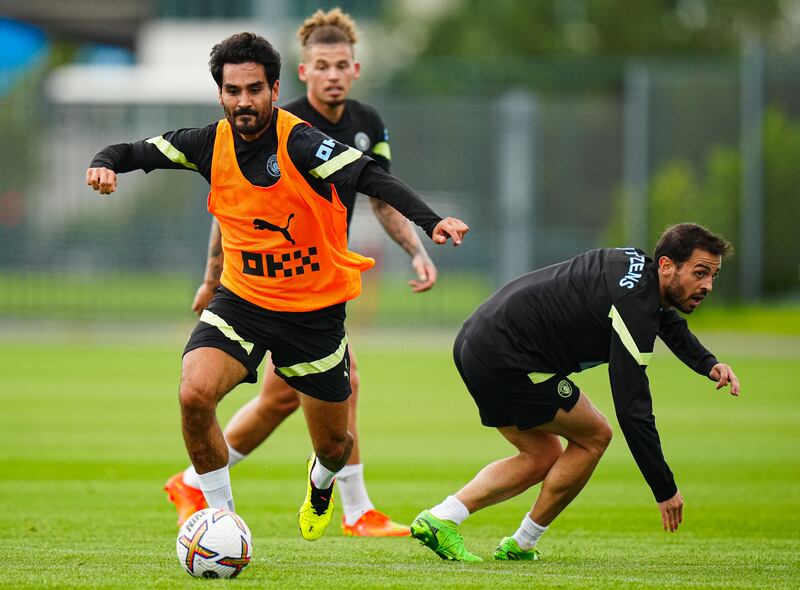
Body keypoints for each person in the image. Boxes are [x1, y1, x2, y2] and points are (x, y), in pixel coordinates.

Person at [85, 31, 468, 543]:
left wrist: (431, 222)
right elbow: (133, 150)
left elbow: (372, 178)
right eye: (233, 90)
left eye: (254, 89)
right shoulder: (205, 142)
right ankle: (222, 519)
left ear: (274, 88)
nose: (243, 101)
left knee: (334, 445)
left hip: (314, 311)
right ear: (220, 93)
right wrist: (105, 163)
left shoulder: (302, 140)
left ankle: (322, 483)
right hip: (241, 302)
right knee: (195, 395)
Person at [163, 8, 435, 537]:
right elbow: (232, 212)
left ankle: (196, 482)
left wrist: (416, 248)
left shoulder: (368, 122)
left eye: (342, 65)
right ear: (303, 73)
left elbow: (379, 196)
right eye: (322, 65)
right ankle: (355, 510)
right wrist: (212, 277)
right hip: (275, 291)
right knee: (338, 383)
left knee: (283, 399)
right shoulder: (271, 118)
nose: (333, 74)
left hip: (319, 284)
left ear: (355, 70)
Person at [409, 223, 739, 562]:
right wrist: (664, 488)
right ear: (667, 265)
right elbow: (633, 408)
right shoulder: (634, 305)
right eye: (700, 273)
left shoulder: (637, 270)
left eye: (712, 276)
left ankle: (442, 519)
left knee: (540, 455)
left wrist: (707, 363)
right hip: (508, 356)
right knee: (595, 436)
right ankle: (520, 544)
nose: (707, 286)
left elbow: (663, 317)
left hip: (476, 340)